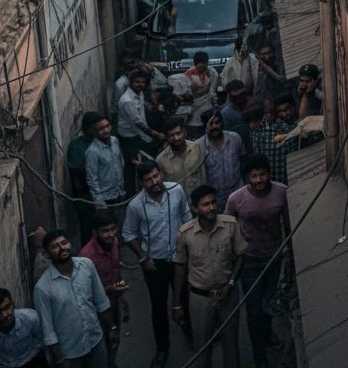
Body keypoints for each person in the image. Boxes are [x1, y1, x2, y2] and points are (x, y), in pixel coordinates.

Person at [121, 161, 192, 368]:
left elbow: (187, 217)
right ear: (141, 183)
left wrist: (188, 248)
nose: (154, 182)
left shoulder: (176, 191)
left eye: (156, 176)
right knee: (159, 307)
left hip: (179, 259)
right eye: (148, 179)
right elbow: (128, 234)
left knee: (186, 298)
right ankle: (162, 349)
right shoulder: (136, 206)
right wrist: (143, 258)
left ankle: (190, 331)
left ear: (160, 174)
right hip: (155, 264)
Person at [225, 155, 289, 368]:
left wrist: (289, 256)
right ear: (247, 178)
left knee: (268, 303)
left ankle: (267, 332)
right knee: (253, 308)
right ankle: (258, 352)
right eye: (254, 176)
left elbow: (288, 225)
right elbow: (228, 228)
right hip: (248, 260)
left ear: (269, 174)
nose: (259, 179)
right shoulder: (236, 199)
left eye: (263, 174)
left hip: (274, 256)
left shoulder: (282, 192)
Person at [172, 186, 247, 368]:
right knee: (202, 346)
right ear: (195, 208)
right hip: (200, 298)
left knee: (231, 344)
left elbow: (241, 254)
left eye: (213, 202)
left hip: (228, 294)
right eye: (205, 204)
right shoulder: (185, 233)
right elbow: (180, 268)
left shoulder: (230, 225)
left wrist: (230, 283)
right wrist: (176, 304)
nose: (212, 208)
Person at [32, 230, 118, 368]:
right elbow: (47, 330)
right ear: (48, 254)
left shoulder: (87, 266)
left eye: (64, 243)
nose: (62, 248)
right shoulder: (42, 288)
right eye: (55, 246)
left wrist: (112, 327)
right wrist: (59, 359)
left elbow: (101, 301)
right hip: (70, 353)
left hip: (95, 340)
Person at [77, 213, 128, 368]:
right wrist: (110, 289)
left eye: (113, 229)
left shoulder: (114, 244)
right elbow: (84, 293)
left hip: (113, 305)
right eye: (105, 231)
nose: (111, 234)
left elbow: (116, 272)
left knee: (113, 342)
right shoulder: (86, 257)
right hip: (97, 313)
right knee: (100, 353)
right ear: (95, 233)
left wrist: (120, 296)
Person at [117, 70, 165, 195]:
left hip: (138, 135)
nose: (140, 84)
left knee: (143, 161)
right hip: (128, 138)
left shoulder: (140, 93)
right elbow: (137, 122)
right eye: (137, 82)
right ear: (131, 83)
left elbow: (143, 109)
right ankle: (132, 194)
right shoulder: (127, 100)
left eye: (142, 82)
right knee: (132, 167)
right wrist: (154, 133)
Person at [195, 110, 245, 207]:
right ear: (205, 126)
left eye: (217, 123)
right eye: (210, 124)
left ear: (222, 123)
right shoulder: (198, 146)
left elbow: (243, 160)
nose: (214, 127)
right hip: (214, 198)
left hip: (237, 192)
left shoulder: (235, 138)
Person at [83, 115, 125, 226]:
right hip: (106, 199)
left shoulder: (115, 141)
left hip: (119, 193)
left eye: (107, 126)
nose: (106, 130)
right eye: (101, 129)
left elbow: (120, 162)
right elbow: (92, 179)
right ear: (94, 132)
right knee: (108, 228)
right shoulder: (92, 151)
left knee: (121, 225)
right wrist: (100, 203)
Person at [251, 95, 300, 186]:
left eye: (271, 112)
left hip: (288, 177)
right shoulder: (257, 132)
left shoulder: (285, 127)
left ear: (276, 113)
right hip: (269, 181)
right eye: (266, 113)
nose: (268, 115)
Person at [156, 119, 207, 199]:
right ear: (166, 137)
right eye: (171, 135)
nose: (176, 138)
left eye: (178, 133)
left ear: (184, 132)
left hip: (199, 202)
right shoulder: (161, 160)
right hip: (177, 204)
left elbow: (203, 177)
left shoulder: (197, 148)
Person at [67, 113, 97, 245]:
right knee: (88, 230)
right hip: (86, 195)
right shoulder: (77, 145)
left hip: (104, 192)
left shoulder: (103, 142)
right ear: (88, 129)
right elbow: (77, 172)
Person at [0, 288, 46, 368]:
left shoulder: (30, 318)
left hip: (32, 361)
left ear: (13, 304)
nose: (5, 315)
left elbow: (41, 341)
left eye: (7, 307)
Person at [183, 52, 219, 133]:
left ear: (207, 64)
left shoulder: (213, 73)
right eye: (199, 69)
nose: (202, 71)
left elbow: (212, 92)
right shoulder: (188, 74)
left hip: (209, 107)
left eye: (204, 68)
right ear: (195, 65)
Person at [219, 81, 254, 152]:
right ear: (229, 97)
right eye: (236, 97)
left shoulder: (253, 105)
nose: (240, 99)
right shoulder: (225, 114)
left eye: (242, 95)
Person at [251, 46, 287, 113]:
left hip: (281, 101)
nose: (267, 56)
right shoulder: (256, 71)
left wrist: (263, 65)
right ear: (259, 55)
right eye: (263, 54)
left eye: (269, 53)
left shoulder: (281, 66)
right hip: (263, 104)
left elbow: (282, 80)